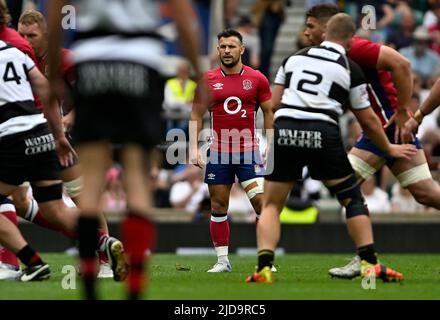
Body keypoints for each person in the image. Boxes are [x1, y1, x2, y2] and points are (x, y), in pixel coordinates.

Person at [48, 0, 202, 300]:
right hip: (141, 63)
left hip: (92, 62)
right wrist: (199, 71)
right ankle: (134, 291)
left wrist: (55, 75)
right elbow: (183, 15)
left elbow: (56, 14)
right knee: (137, 180)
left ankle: (90, 288)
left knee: (91, 185)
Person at [246, 13, 416, 284]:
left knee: (271, 205)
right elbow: (369, 120)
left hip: (285, 128)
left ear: (325, 34)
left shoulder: (294, 59)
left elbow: (273, 104)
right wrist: (390, 149)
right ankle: (370, 264)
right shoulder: (350, 67)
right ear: (349, 40)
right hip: (322, 132)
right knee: (352, 199)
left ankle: (263, 269)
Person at [303, 3, 440, 279]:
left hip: (388, 126)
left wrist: (402, 111)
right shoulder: (327, 55)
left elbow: (402, 63)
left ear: (327, 27)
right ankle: (365, 258)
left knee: (344, 184)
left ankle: (365, 259)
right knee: (425, 193)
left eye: (310, 26)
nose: (306, 32)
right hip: (378, 131)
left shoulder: (355, 48)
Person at [17, 8, 116, 279]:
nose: (26, 39)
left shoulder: (65, 60)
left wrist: (68, 119)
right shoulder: (17, 57)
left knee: (83, 199)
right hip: (24, 139)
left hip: (63, 142)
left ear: (46, 36)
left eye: (32, 35)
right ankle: (10, 263)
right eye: (22, 34)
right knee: (14, 201)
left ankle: (106, 257)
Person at [191, 29, 274, 273]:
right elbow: (195, 114)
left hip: (249, 150)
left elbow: (269, 112)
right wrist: (194, 148)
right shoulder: (207, 80)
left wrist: (270, 143)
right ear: (218, 50)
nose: (227, 51)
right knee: (218, 206)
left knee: (261, 203)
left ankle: (266, 260)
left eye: (231, 46)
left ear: (242, 49)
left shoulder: (257, 78)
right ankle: (222, 261)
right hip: (218, 151)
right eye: (223, 47)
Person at [0, 36, 78, 281]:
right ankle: (103, 240)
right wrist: (57, 134)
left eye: (32, 34)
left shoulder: (18, 45)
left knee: (19, 199)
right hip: (41, 132)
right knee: (53, 207)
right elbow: (46, 88)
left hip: (12, 137)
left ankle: (27, 262)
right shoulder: (14, 50)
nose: (27, 38)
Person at [162, 60, 197, 134]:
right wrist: (186, 102)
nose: (183, 73)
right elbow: (170, 103)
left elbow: (194, 104)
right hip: (171, 115)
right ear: (177, 71)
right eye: (181, 70)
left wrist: (178, 102)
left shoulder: (193, 85)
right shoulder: (170, 83)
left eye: (185, 71)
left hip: (186, 117)